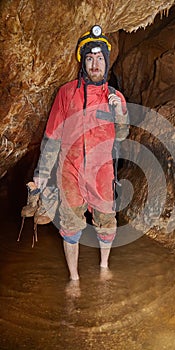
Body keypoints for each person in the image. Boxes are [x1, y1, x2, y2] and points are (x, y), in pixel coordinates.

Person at [33, 25, 129, 280]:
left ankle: (104, 268)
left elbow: (122, 135)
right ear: (83, 62)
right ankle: (74, 279)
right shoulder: (66, 93)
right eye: (89, 58)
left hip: (102, 172)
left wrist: (119, 112)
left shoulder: (115, 96)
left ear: (106, 63)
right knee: (70, 225)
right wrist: (42, 174)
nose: (95, 63)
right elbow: (52, 136)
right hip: (70, 171)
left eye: (99, 58)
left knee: (106, 222)